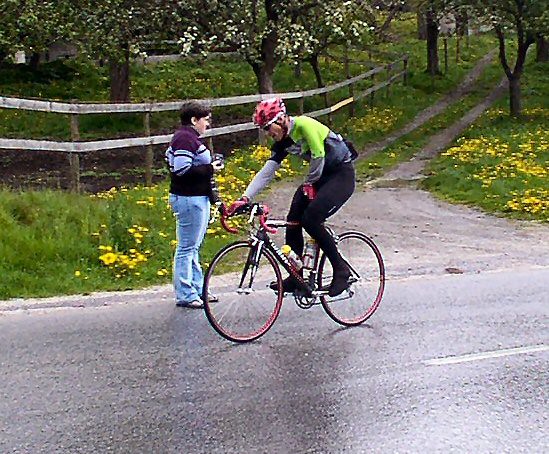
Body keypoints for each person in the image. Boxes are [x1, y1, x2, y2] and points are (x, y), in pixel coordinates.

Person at [227, 98, 357, 297]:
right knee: (293, 218)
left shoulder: (304, 125)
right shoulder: (283, 141)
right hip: (320, 177)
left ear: (281, 120)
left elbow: (318, 155)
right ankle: (296, 275)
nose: (268, 133)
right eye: (264, 130)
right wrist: (245, 197)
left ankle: (341, 270)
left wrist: (309, 183)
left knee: (311, 219)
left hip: (341, 174)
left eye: (268, 127)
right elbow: (267, 171)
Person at [165, 101, 224, 308]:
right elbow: (181, 170)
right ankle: (185, 293)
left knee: (193, 247)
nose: (207, 124)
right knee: (186, 247)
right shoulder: (184, 139)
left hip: (197, 197)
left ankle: (198, 289)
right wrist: (211, 168)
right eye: (205, 120)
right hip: (189, 198)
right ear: (193, 120)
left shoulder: (188, 138)